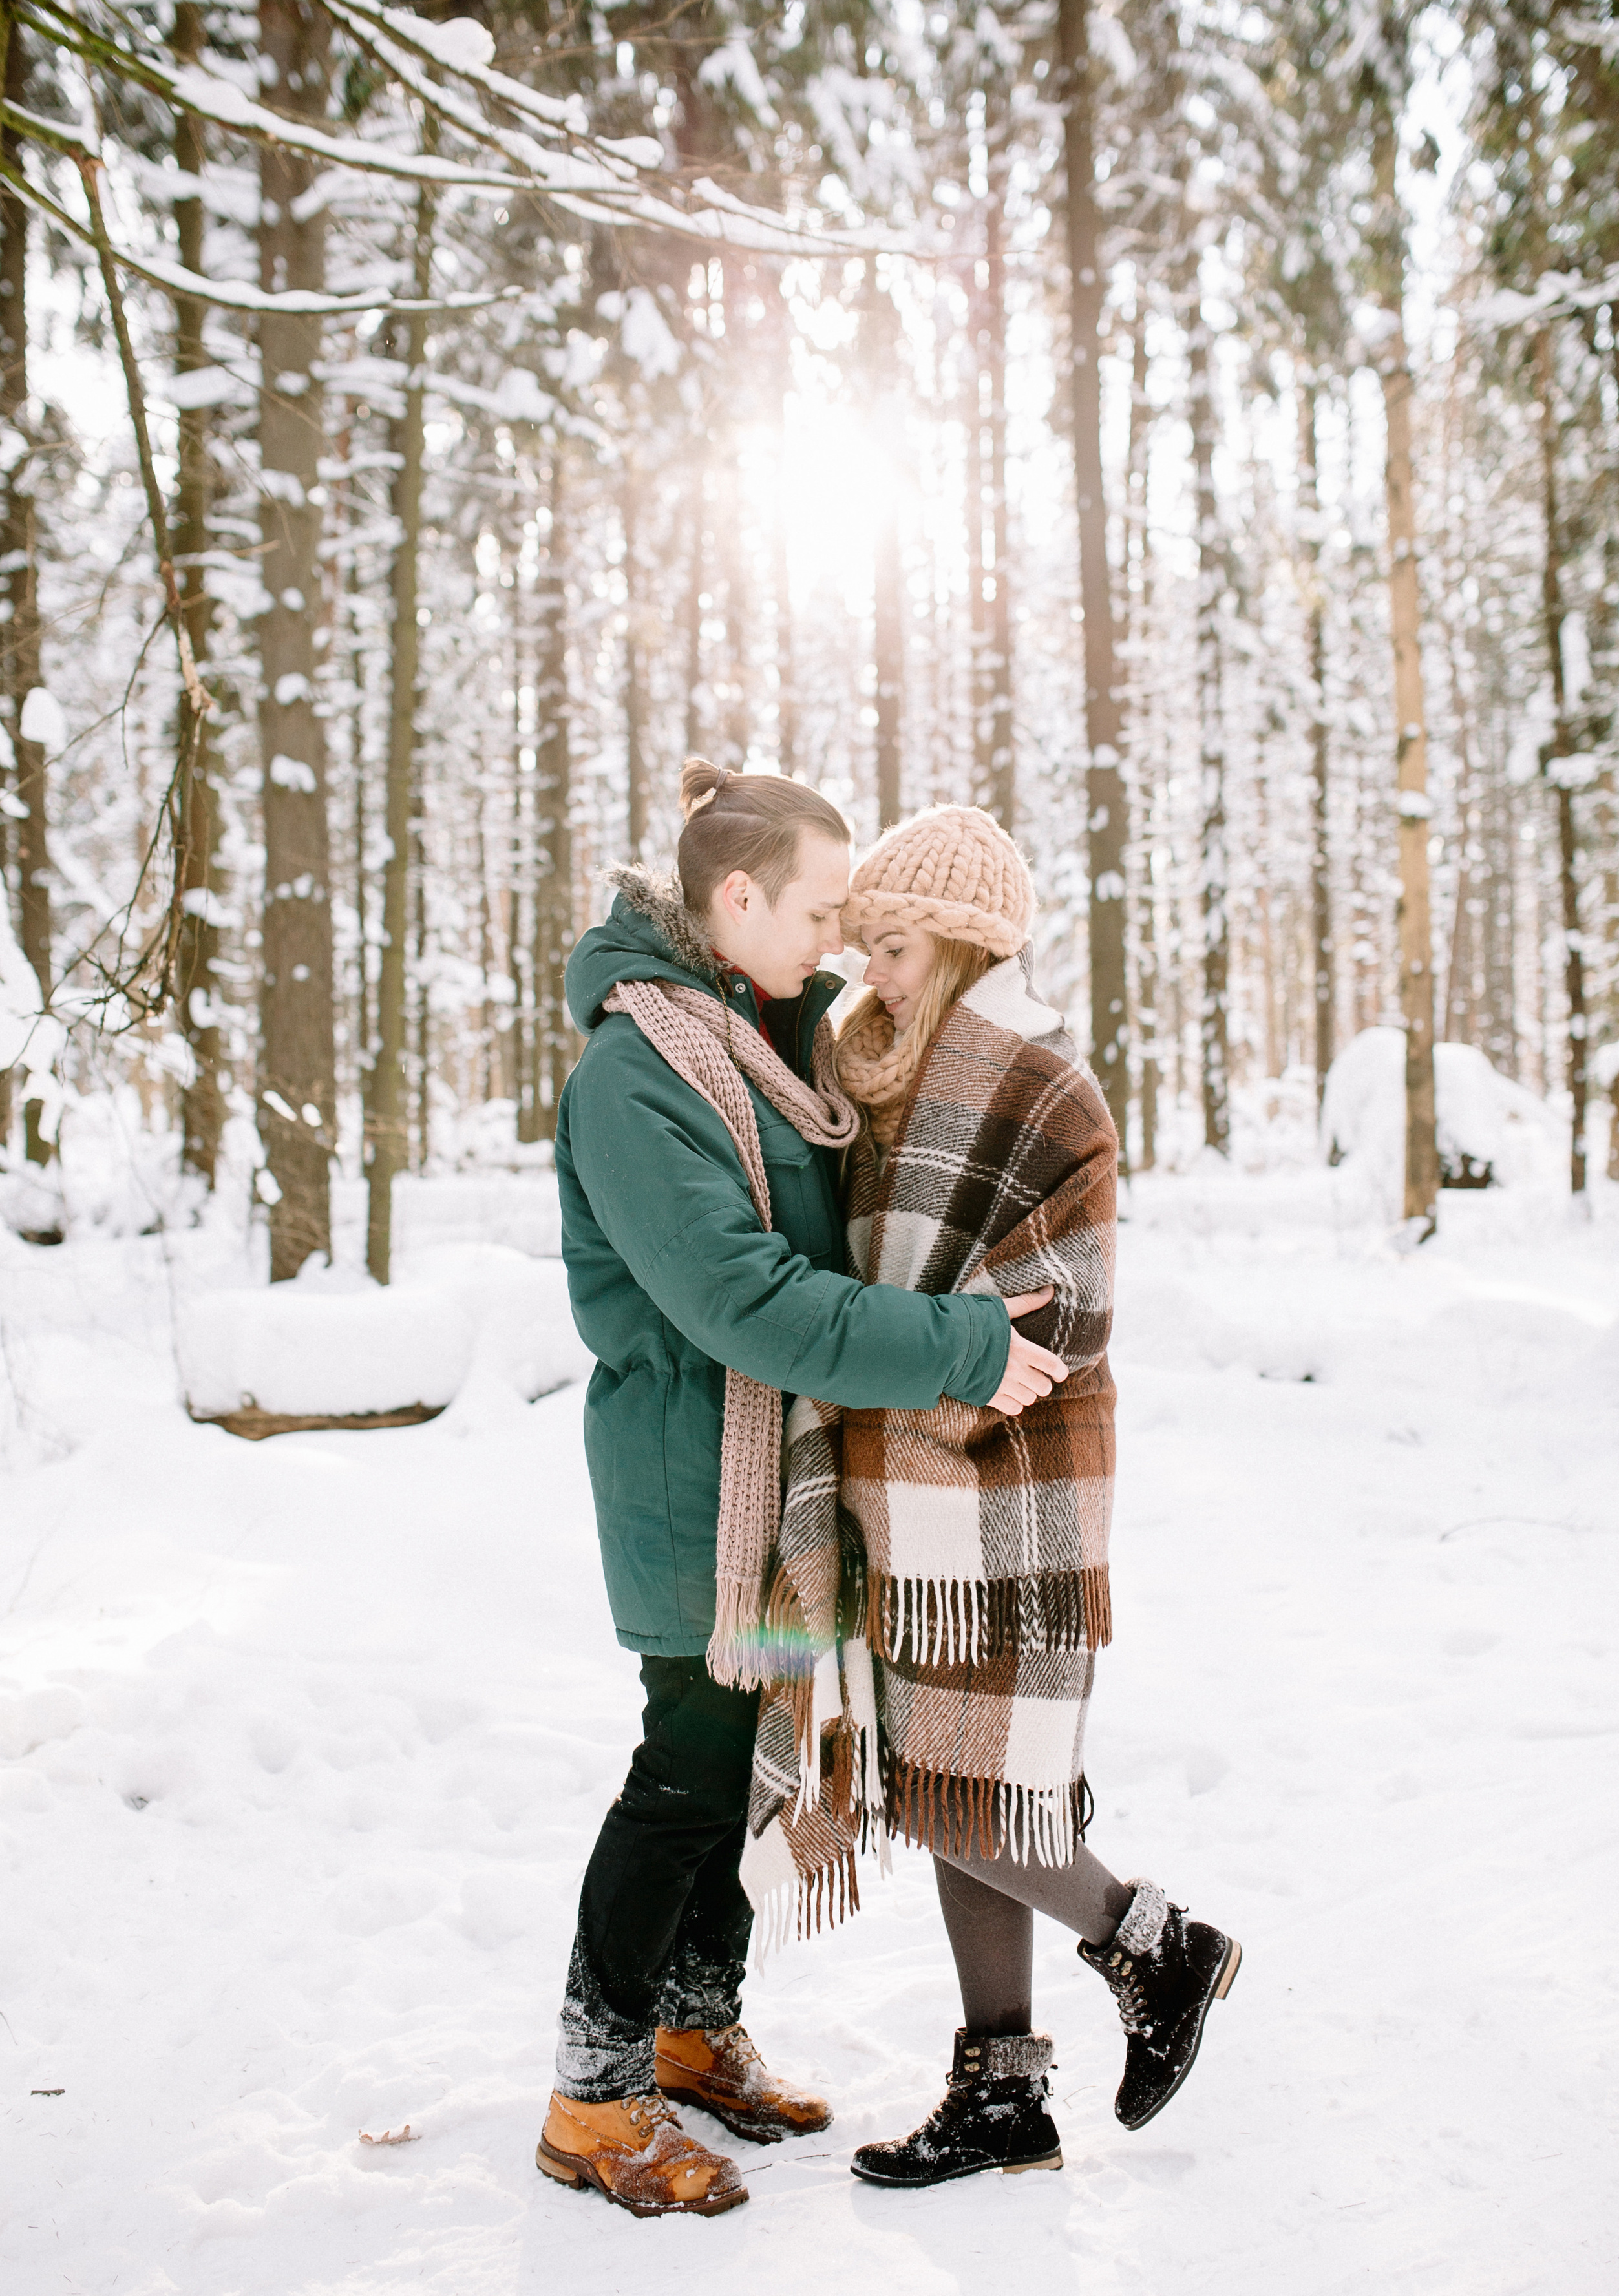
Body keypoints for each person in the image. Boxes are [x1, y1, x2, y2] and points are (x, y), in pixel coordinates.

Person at [536, 763, 1069, 2220]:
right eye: (821, 908)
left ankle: (693, 2029)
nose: (839, 940)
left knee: (732, 1768)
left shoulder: (753, 1038)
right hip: (691, 1492)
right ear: (735, 899)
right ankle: (592, 2094)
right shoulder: (639, 1071)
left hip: (764, 1493)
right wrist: (957, 1345)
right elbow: (748, 1299)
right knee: (686, 1776)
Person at [741, 803, 1240, 2191]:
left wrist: (912, 1379)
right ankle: (1000, 2092)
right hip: (890, 1497)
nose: (869, 975)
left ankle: (1155, 1943)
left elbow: (1064, 1305)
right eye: (860, 947)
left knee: (973, 1799)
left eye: (891, 946)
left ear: (959, 946)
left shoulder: (1044, 1093)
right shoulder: (866, 1087)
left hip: (1004, 1490)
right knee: (957, 1777)